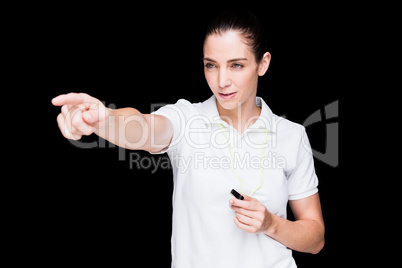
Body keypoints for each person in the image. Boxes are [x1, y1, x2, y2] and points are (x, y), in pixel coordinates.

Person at [52, 10, 324, 268]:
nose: (222, 80)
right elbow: (143, 128)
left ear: (262, 63)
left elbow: (315, 239)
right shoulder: (186, 118)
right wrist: (104, 119)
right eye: (211, 65)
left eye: (236, 65)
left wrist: (271, 224)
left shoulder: (292, 135)